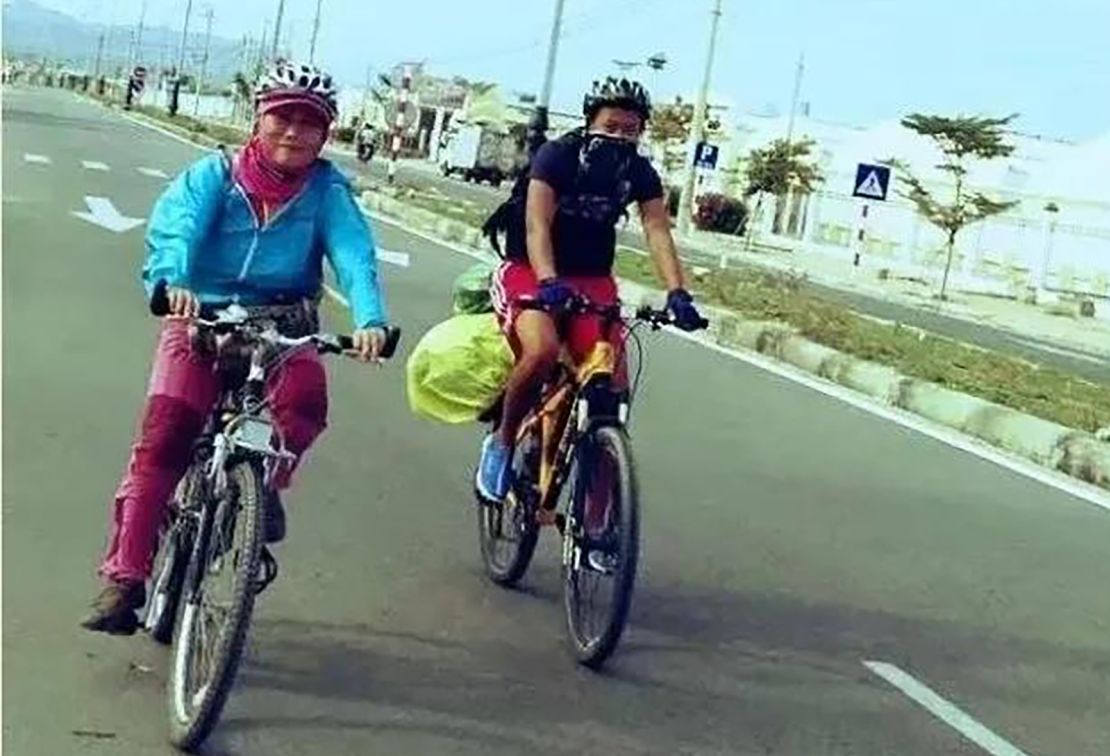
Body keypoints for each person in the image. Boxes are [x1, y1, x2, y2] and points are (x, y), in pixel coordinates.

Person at [82, 60, 393, 635]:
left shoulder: (328, 192)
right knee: (166, 435)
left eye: (309, 122)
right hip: (200, 314)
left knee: (304, 401)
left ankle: (264, 487)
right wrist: (171, 283)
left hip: (282, 323)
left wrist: (372, 320)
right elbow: (176, 232)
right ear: (258, 118)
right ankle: (125, 578)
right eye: (283, 117)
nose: (294, 133)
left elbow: (354, 257)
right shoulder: (213, 177)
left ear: (326, 132)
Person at [476, 76, 705, 502]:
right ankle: (503, 443)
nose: (620, 136)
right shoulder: (557, 156)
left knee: (610, 384)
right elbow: (536, 225)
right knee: (542, 350)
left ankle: (600, 514)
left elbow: (657, 230)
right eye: (611, 125)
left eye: (631, 129)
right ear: (589, 123)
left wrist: (678, 293)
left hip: (592, 278)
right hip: (530, 269)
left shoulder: (638, 171)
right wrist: (547, 281)